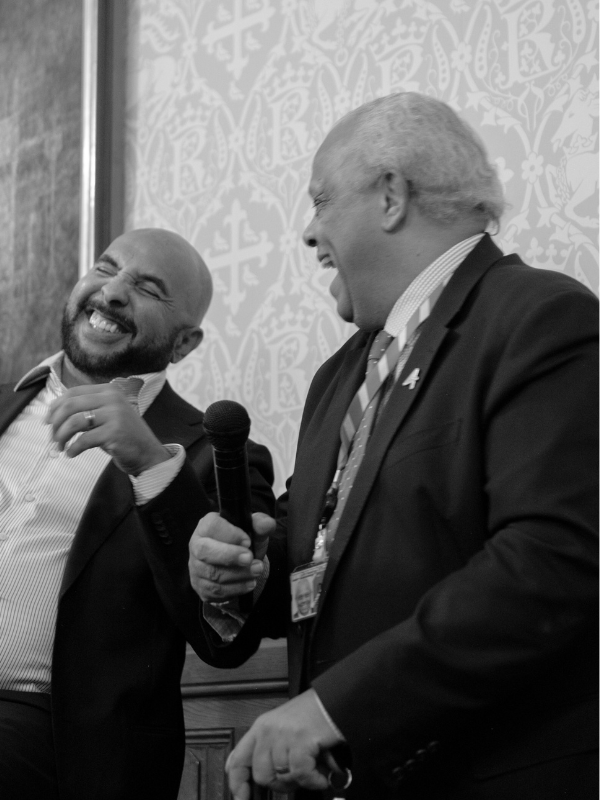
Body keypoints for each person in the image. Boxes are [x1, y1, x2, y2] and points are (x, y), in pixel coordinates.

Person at [188, 93, 599, 800]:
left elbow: (553, 560)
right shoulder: (339, 378)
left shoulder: (541, 318)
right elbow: (318, 554)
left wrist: (334, 707)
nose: (310, 234)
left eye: (320, 202)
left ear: (389, 195)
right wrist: (244, 572)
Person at [0, 228, 275, 800]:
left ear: (184, 344)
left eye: (148, 288)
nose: (114, 292)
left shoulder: (213, 456)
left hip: (49, 738)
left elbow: (226, 637)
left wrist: (151, 465)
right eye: (106, 268)